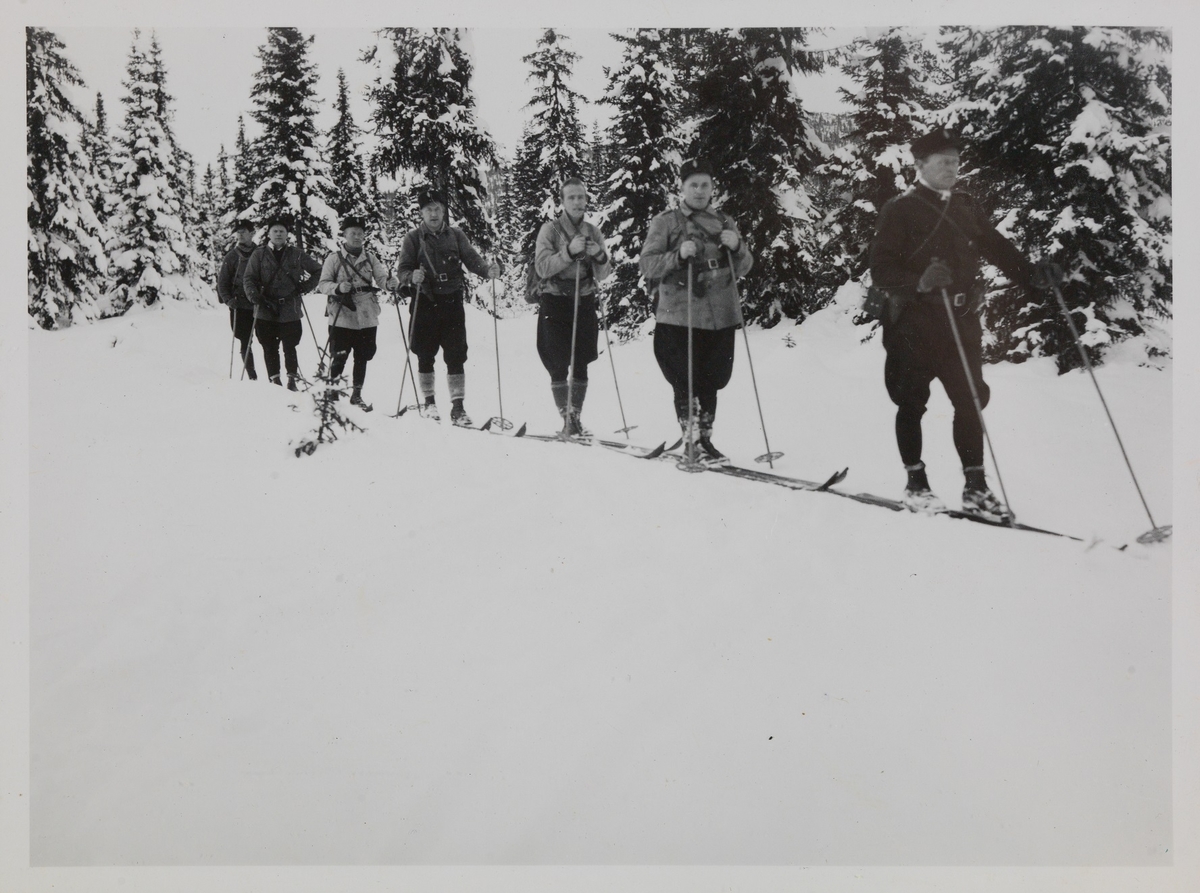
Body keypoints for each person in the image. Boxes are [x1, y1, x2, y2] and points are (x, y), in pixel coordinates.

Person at [869, 129, 1059, 518]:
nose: (953, 168)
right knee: (911, 402)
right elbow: (881, 270)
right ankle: (916, 484)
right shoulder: (899, 210)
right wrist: (919, 282)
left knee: (970, 401)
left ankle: (976, 488)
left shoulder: (966, 206)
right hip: (914, 324)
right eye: (944, 162)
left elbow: (995, 246)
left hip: (961, 320)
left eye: (956, 161)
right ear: (920, 165)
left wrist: (1032, 275)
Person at [640, 158, 752, 464]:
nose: (700, 191)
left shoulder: (726, 223)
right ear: (682, 187)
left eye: (705, 184)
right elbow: (647, 264)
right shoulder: (666, 222)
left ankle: (705, 440)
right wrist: (678, 255)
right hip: (679, 313)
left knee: (713, 379)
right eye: (694, 185)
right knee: (685, 379)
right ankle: (690, 440)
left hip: (719, 315)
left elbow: (744, 267)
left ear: (713, 187)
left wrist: (738, 246)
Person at [395, 188, 500, 426]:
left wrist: (487, 270)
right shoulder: (412, 238)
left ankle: (458, 408)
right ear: (421, 212)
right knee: (425, 353)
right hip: (425, 301)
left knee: (456, 354)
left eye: (438, 209)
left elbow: (472, 259)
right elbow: (402, 271)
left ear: (443, 211)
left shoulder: (456, 235)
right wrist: (412, 276)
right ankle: (430, 403)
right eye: (429, 209)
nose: (434, 213)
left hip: (451, 300)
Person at [532, 177, 613, 437]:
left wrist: (599, 255)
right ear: (562, 202)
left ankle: (574, 418)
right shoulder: (550, 230)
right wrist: (568, 251)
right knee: (557, 362)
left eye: (581, 197)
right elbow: (542, 267)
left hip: (584, 299)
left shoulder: (593, 230)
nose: (578, 202)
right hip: (555, 301)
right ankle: (566, 417)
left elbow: (603, 273)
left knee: (582, 361)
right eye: (572, 197)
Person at [315, 215, 399, 411]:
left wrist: (390, 284)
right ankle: (332, 392)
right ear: (344, 235)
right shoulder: (334, 258)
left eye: (360, 233)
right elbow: (322, 284)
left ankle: (357, 394)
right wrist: (337, 287)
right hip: (342, 314)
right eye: (353, 233)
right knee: (340, 355)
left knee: (363, 356)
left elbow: (381, 280)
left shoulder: (370, 258)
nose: (357, 237)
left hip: (367, 314)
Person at [242, 214, 323, 391]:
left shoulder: (297, 254)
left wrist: (304, 287)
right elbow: (248, 278)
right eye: (275, 231)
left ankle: (292, 379)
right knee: (269, 346)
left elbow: (318, 271)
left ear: (287, 234)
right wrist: (254, 296)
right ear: (269, 234)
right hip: (265, 307)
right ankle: (275, 381)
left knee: (290, 346)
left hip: (290, 308)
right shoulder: (259, 254)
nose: (278, 234)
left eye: (282, 231)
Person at [216, 218, 259, 380]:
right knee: (244, 341)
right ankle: (252, 375)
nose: (240, 235)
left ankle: (274, 377)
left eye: (244, 231)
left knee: (267, 341)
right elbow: (222, 282)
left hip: (260, 305)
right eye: (238, 232)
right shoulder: (232, 256)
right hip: (240, 306)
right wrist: (228, 300)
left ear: (252, 233)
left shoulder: (261, 253)